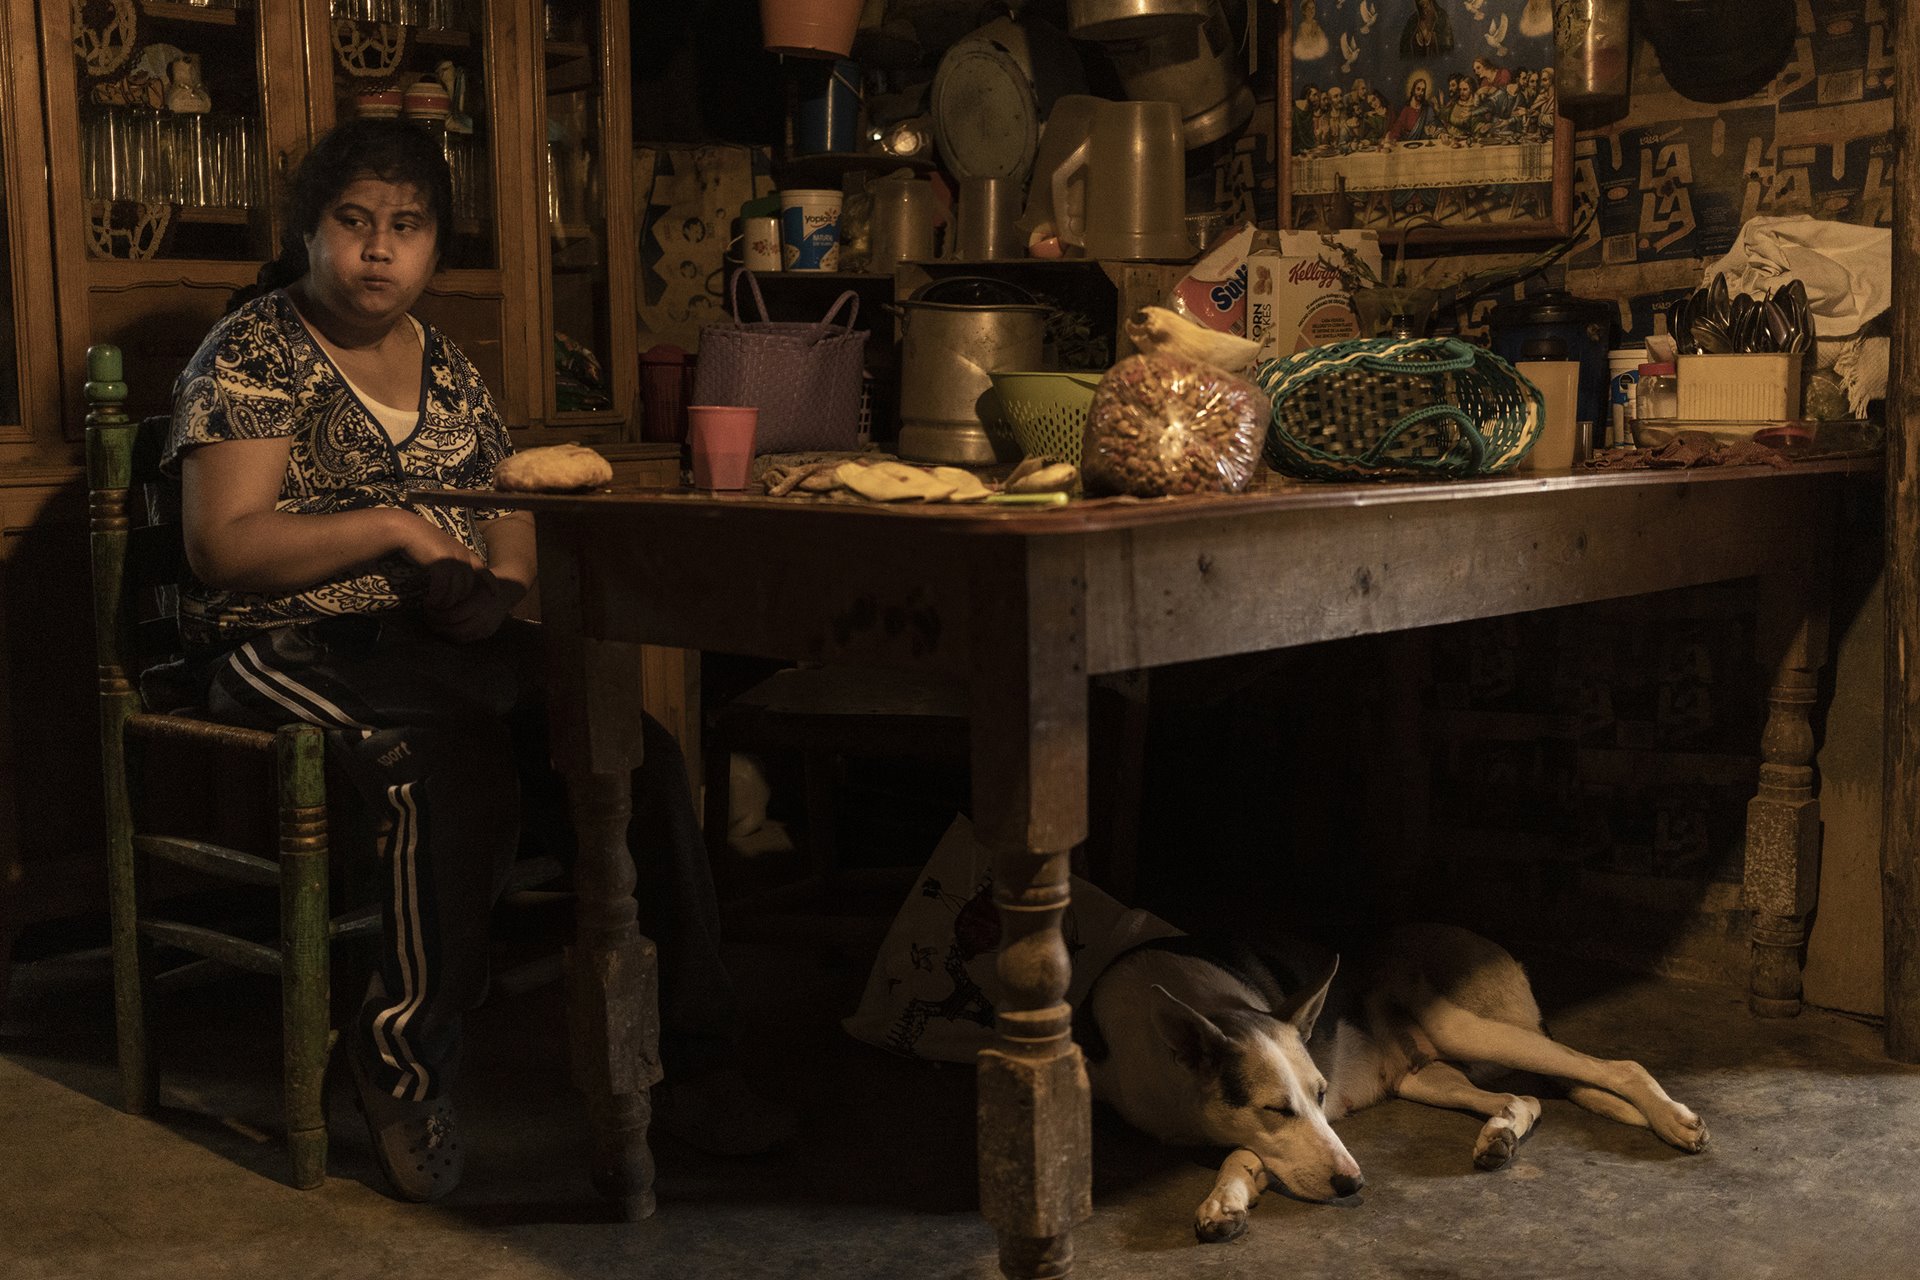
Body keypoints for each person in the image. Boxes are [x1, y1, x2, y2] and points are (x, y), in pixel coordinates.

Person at [163, 118, 787, 1203]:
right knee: (441, 763)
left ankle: (689, 1059)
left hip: (439, 636)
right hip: (284, 634)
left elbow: (508, 511)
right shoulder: (256, 347)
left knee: (631, 749)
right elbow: (224, 544)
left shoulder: (446, 362)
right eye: (353, 223)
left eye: (405, 228)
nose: (377, 251)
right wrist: (395, 527)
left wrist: (494, 592)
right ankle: (400, 1062)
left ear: (434, 249)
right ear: (308, 232)